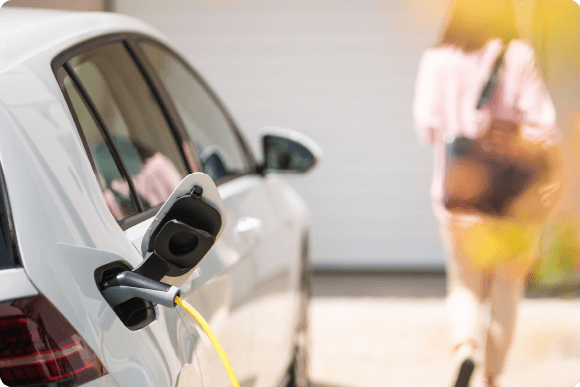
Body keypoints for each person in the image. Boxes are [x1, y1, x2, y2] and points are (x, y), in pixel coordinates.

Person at [412, 0, 564, 386]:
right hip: (511, 198)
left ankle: (465, 348)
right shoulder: (518, 55)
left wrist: (461, 122)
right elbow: (543, 127)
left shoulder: (436, 59)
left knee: (463, 283)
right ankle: (491, 379)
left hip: (458, 193)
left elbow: (426, 127)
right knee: (506, 287)